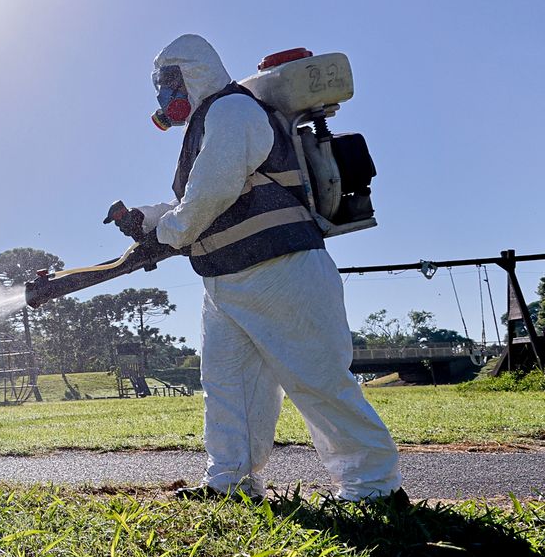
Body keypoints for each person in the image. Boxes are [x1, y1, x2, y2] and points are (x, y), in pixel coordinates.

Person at [110, 34, 404, 503]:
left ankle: (375, 489)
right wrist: (144, 220)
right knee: (229, 387)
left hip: (280, 269)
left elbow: (213, 191)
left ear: (192, 73)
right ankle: (232, 483)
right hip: (224, 278)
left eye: (168, 83)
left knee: (318, 380)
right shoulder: (208, 122)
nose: (164, 96)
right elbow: (195, 201)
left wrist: (164, 234)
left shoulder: (233, 110)